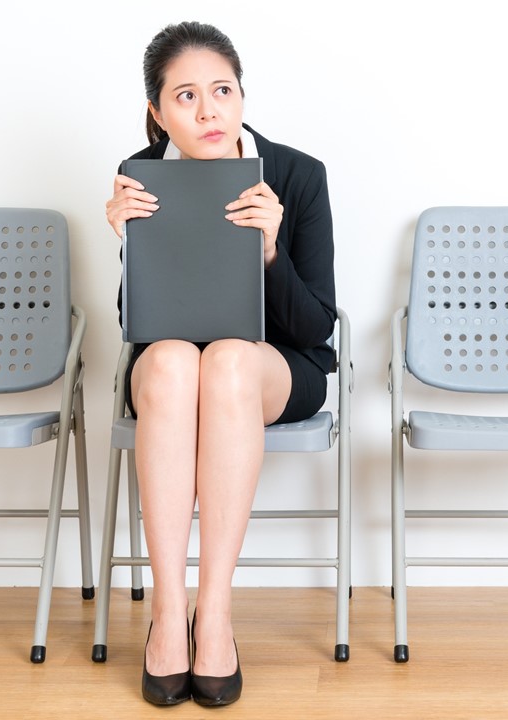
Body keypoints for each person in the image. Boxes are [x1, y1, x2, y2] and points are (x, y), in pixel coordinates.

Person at [104, 21, 336, 707]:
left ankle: (218, 614)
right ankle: (169, 615)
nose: (207, 111)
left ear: (241, 96)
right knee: (177, 361)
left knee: (229, 359)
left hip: (272, 367)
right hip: (170, 368)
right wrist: (130, 242)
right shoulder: (142, 178)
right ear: (158, 113)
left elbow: (318, 326)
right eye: (185, 96)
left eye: (221, 91)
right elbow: (136, 326)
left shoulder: (298, 175)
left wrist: (268, 251)